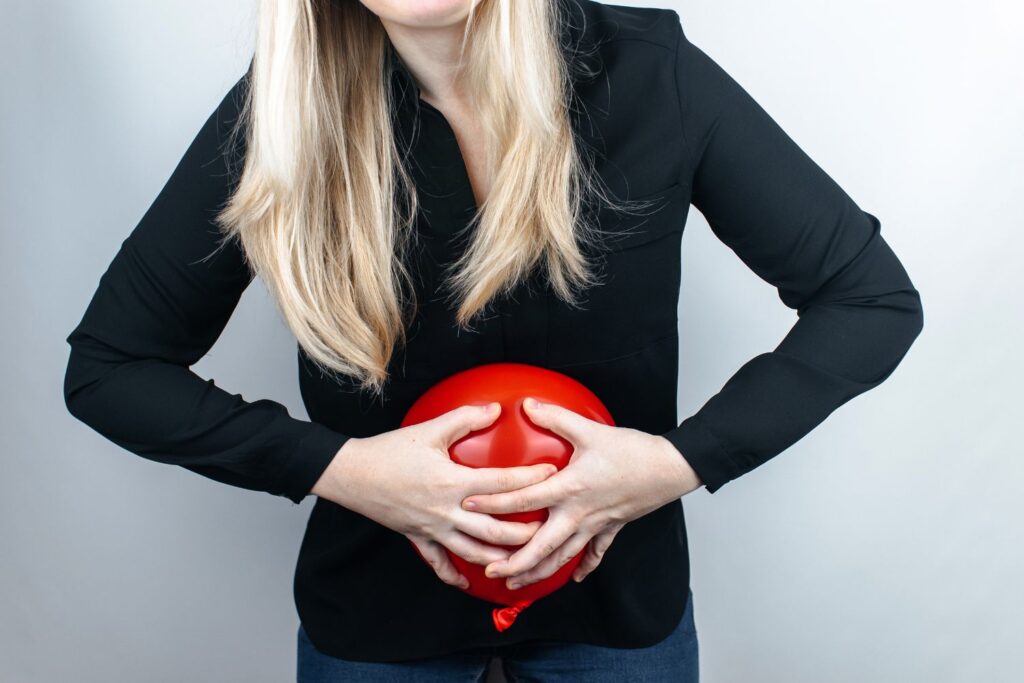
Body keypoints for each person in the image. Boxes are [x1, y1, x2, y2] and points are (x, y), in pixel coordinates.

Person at [62, 0, 924, 680]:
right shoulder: (283, 116)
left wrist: (671, 464)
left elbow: (870, 298)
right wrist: (344, 470)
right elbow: (110, 366)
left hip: (618, 615)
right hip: (377, 621)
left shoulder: (653, 76)